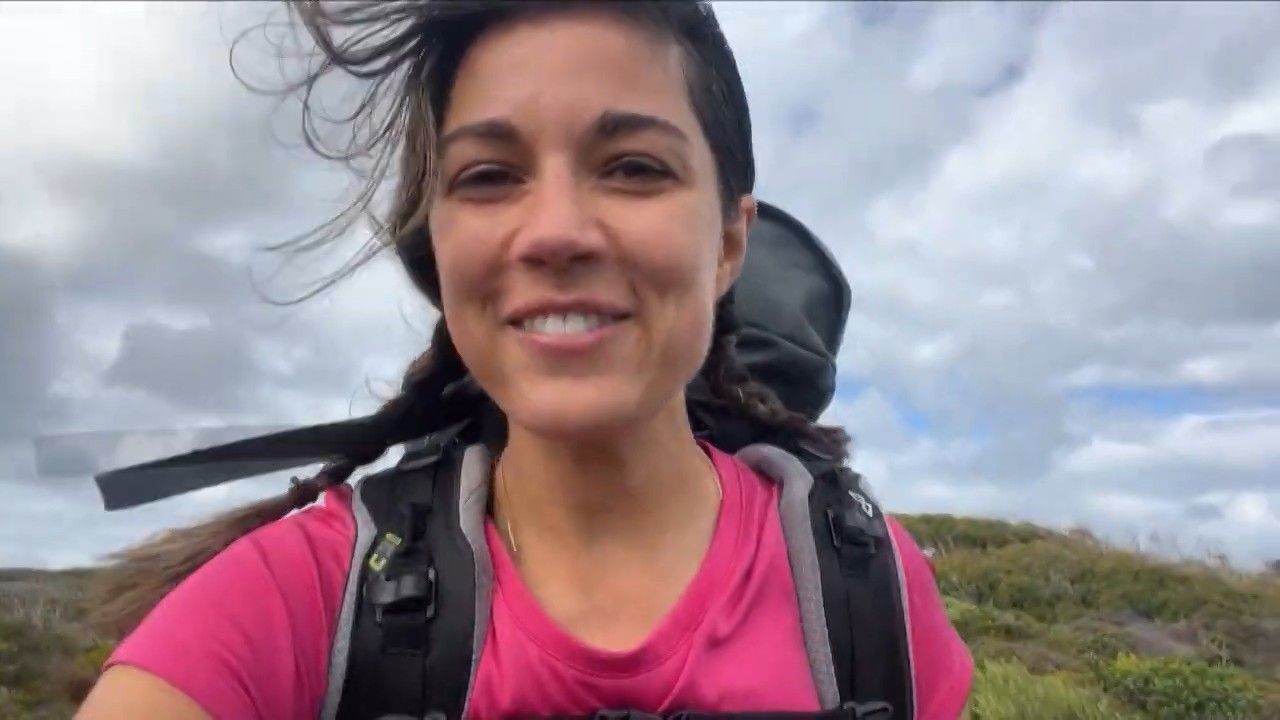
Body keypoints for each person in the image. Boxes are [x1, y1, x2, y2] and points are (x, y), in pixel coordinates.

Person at [76, 2, 972, 719]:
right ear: (440, 246)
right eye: (488, 176)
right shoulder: (297, 597)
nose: (554, 233)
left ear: (730, 242)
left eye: (633, 167)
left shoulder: (867, 590)